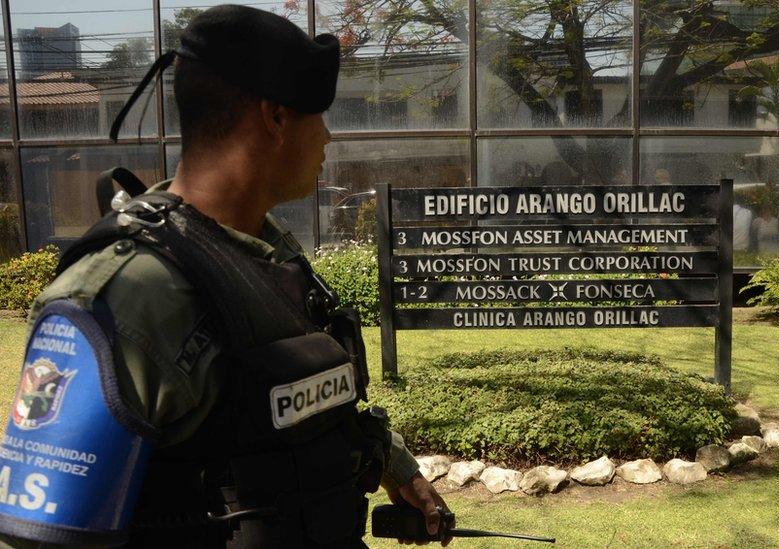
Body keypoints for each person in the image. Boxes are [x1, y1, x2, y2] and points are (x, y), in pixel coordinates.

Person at [0, 6, 449, 548]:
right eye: (319, 115)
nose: (329, 138)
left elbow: (294, 403)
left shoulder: (264, 249)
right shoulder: (121, 295)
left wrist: (396, 466)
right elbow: (43, 534)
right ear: (276, 118)